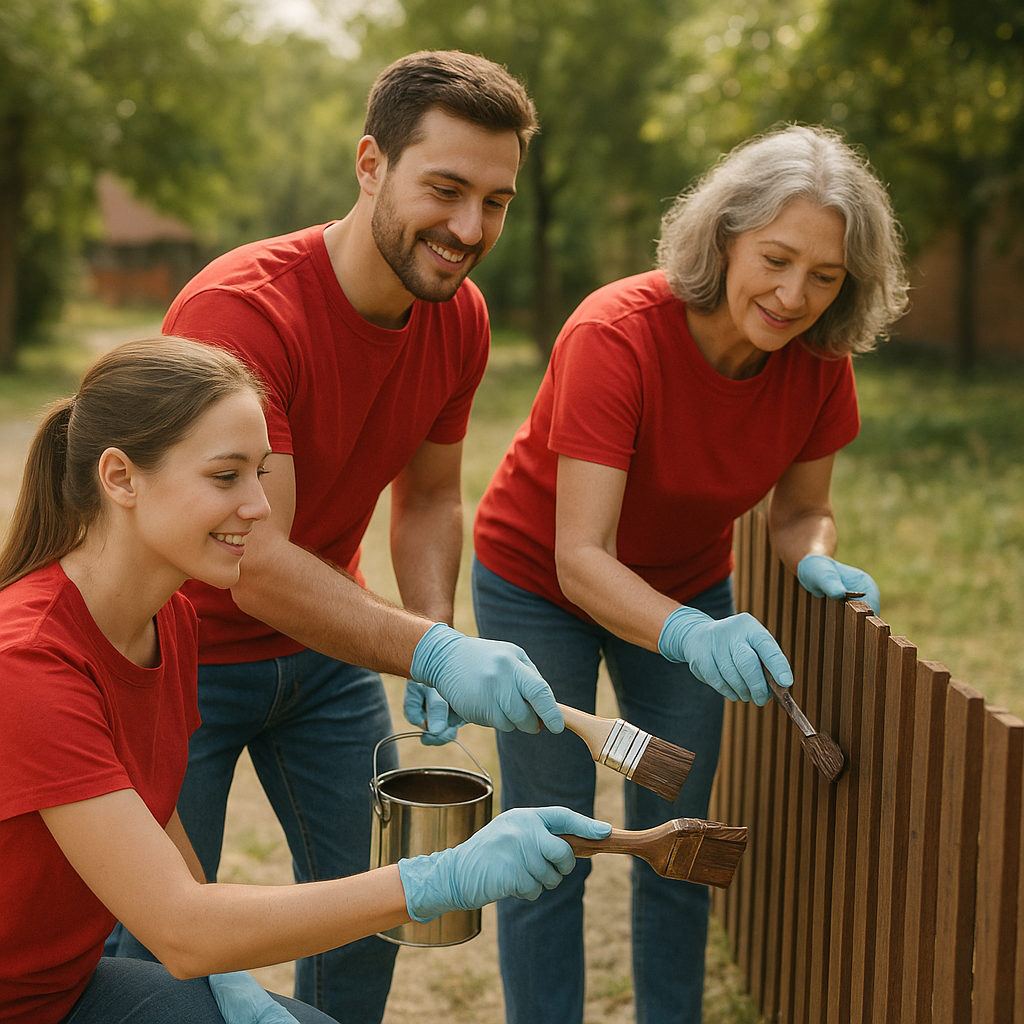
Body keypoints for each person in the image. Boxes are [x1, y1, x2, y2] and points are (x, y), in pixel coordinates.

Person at [106, 51, 552, 1022]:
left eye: (496, 200)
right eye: (444, 189)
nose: (470, 229)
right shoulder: (243, 312)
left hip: (323, 653)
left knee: (368, 911)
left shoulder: (458, 318)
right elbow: (252, 565)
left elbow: (430, 495)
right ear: (368, 165)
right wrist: (432, 644)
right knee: (150, 944)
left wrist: (433, 637)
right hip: (177, 658)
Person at [0, 337, 612, 1024]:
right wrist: (438, 878)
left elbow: (147, 808)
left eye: (261, 473)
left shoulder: (165, 618)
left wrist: (228, 978)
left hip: (61, 994)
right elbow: (178, 926)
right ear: (120, 478)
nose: (261, 507)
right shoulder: (28, 660)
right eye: (226, 476)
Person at [467, 124, 910, 1024]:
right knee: (552, 834)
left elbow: (796, 512)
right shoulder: (616, 334)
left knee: (683, 838)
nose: (794, 296)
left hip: (688, 583)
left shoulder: (819, 364)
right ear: (724, 238)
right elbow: (581, 557)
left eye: (825, 277)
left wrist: (816, 557)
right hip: (540, 584)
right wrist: (690, 632)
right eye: (777, 259)